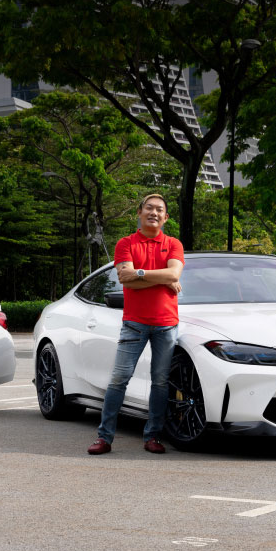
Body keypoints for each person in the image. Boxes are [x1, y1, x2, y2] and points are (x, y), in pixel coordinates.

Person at [87, 193, 184, 455]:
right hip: (134, 323)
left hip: (166, 324)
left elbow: (173, 273)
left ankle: (153, 436)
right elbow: (125, 279)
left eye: (159, 209)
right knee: (119, 379)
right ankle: (104, 438)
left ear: (166, 217)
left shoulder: (173, 244)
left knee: (160, 382)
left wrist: (140, 274)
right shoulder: (126, 243)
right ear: (139, 213)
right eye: (149, 208)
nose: (154, 212)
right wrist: (163, 279)